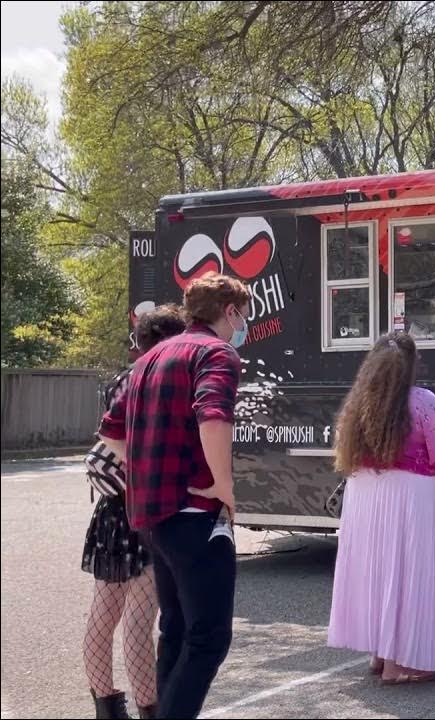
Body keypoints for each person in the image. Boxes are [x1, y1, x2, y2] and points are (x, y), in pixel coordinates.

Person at [98, 275, 247, 719]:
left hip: (152, 514)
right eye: (243, 314)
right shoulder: (217, 352)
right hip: (195, 512)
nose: (243, 324)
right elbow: (214, 416)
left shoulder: (150, 358)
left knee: (177, 632)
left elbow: (110, 432)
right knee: (208, 639)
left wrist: (142, 470)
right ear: (231, 312)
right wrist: (224, 485)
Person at [328, 332, 435, 684]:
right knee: (408, 570)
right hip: (412, 495)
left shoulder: (358, 403)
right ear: (412, 365)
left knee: (376, 569)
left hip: (365, 493)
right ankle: (399, 662)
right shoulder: (424, 402)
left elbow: (344, 448)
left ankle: (380, 653)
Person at [82, 305, 186, 719]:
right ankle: (150, 707)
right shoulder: (161, 379)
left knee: (104, 611)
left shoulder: (118, 383)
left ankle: (106, 705)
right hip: (147, 503)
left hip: (112, 508)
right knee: (142, 615)